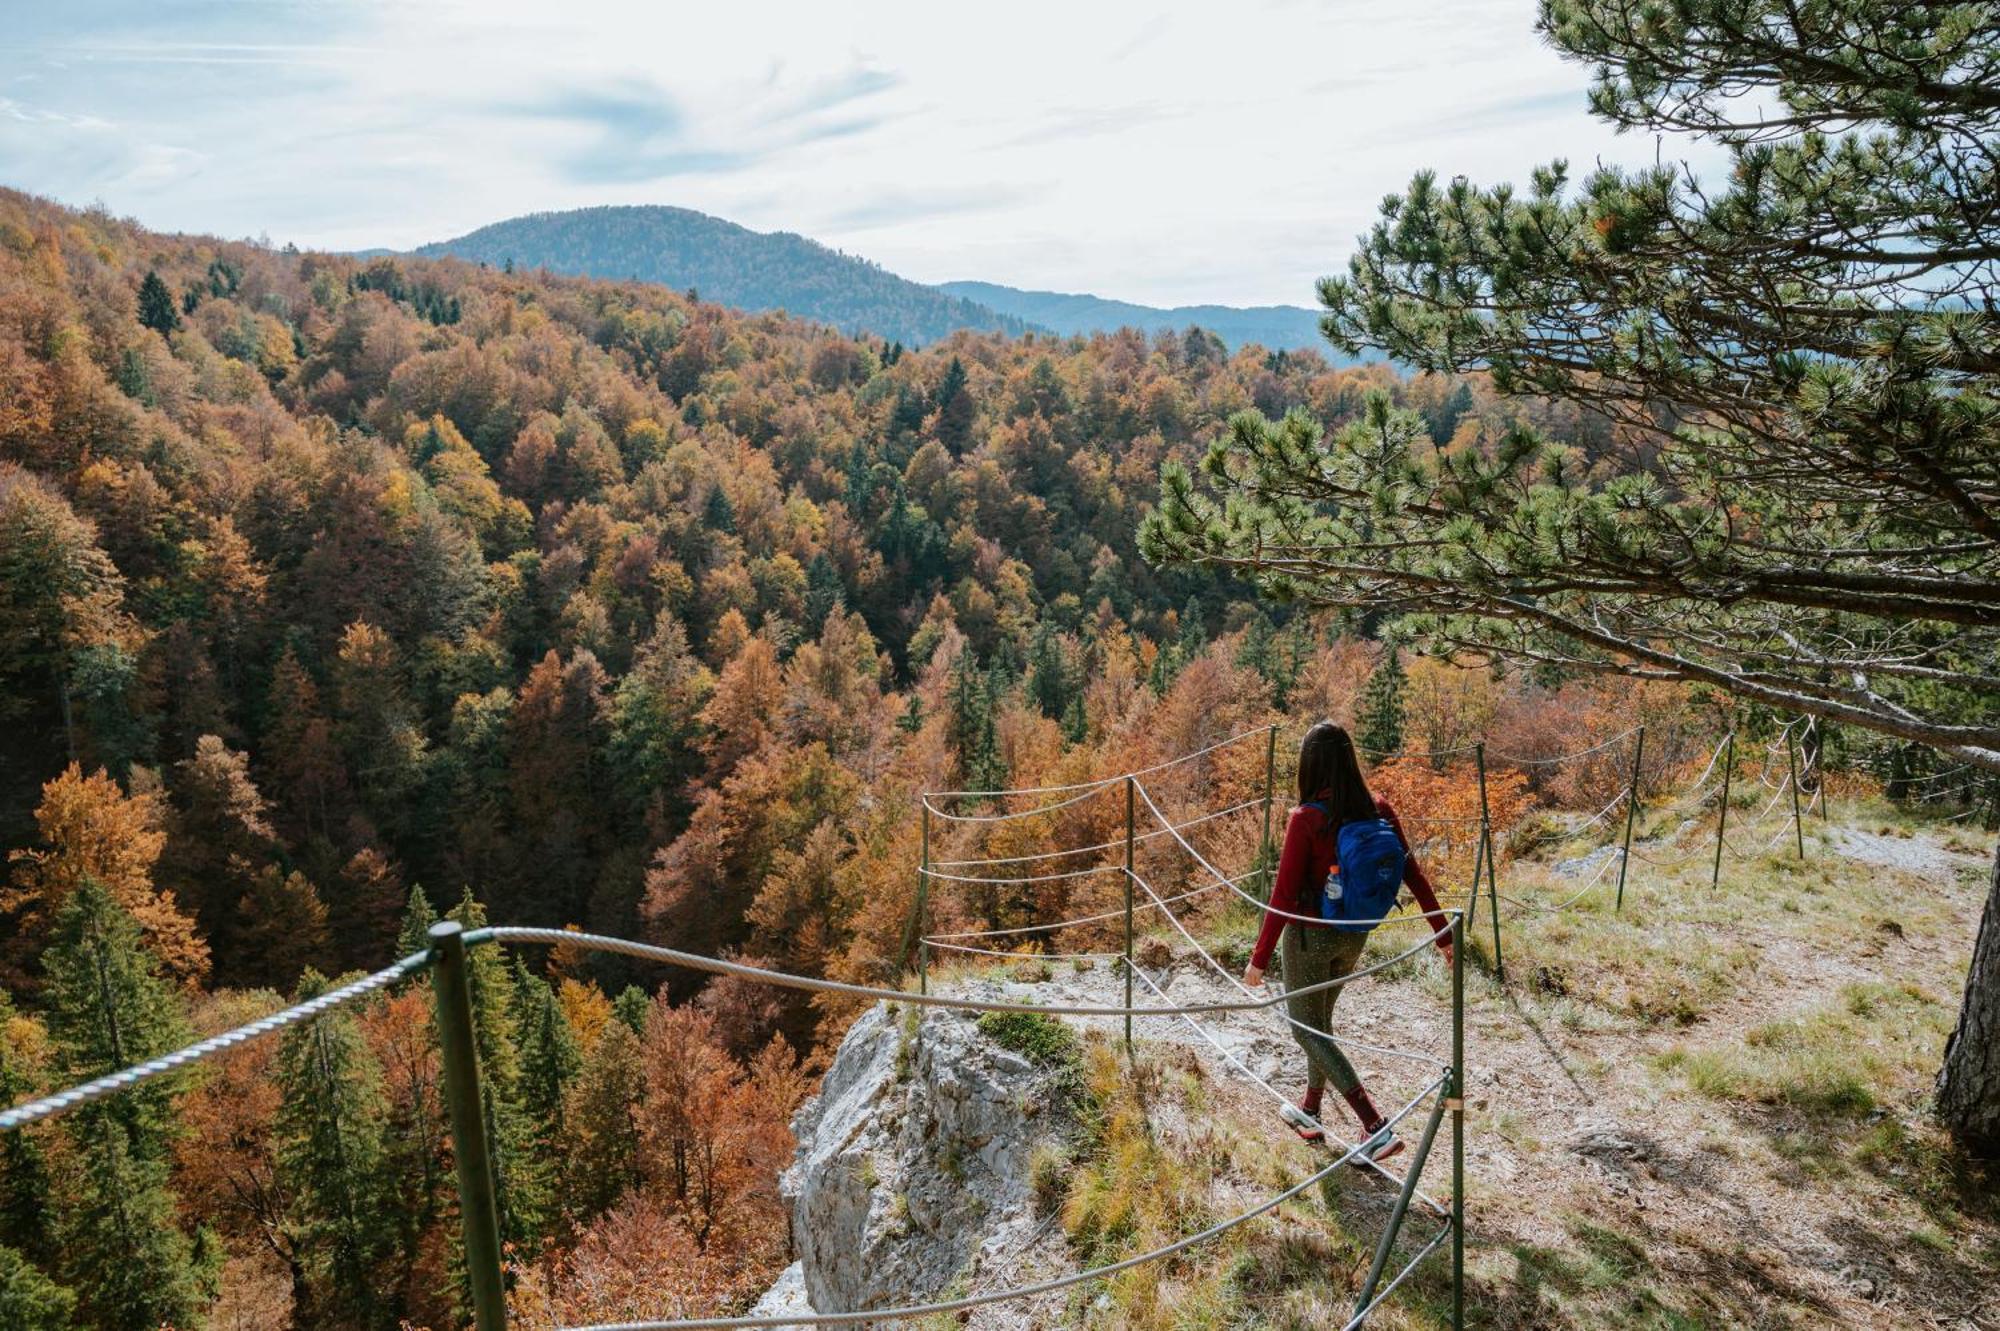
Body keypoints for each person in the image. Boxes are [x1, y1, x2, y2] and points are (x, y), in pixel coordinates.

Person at [1244, 720, 1452, 1161]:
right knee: (1320, 1025)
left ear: (1310, 766)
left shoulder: (1306, 820)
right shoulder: (1378, 808)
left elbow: (1283, 895)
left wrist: (1258, 960)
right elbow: (1412, 874)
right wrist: (1443, 935)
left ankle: (1375, 1126)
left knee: (1304, 1027)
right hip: (1354, 936)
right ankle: (1310, 1110)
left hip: (1308, 939)